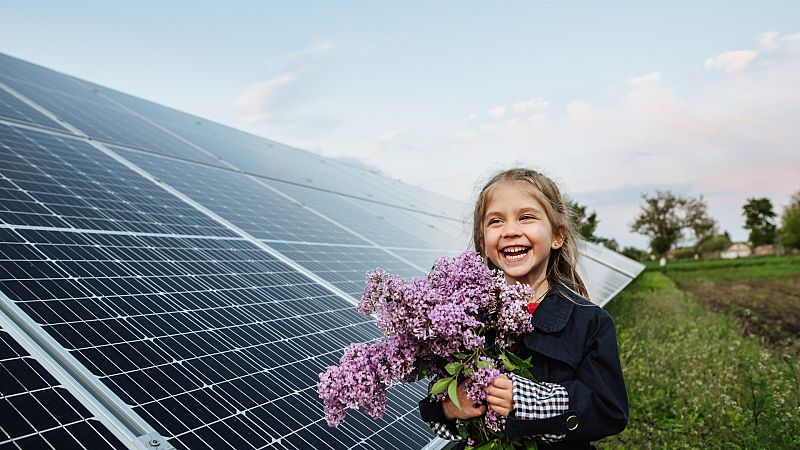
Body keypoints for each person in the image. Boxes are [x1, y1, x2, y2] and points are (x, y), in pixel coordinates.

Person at [418, 168, 628, 449]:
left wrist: (526, 400)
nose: (511, 231)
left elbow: (609, 410)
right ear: (482, 241)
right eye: (495, 221)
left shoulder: (590, 321)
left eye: (526, 217)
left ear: (558, 236)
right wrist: (449, 407)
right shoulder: (465, 315)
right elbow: (438, 399)